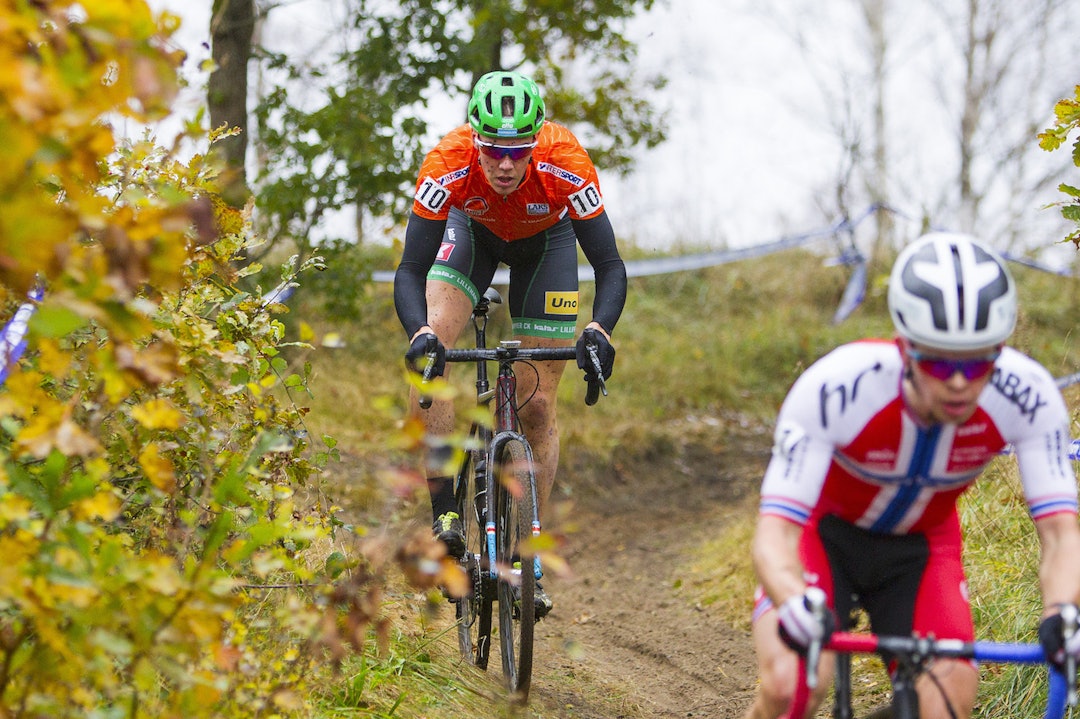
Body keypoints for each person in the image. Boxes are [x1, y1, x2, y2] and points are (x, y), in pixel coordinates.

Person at [742, 232, 1080, 719]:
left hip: (921, 546)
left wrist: (1061, 611)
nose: (961, 382)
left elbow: (1059, 534)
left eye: (982, 360)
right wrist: (794, 601)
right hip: (823, 536)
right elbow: (774, 534)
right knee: (791, 684)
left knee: (948, 702)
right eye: (940, 361)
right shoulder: (837, 387)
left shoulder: (1027, 396)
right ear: (905, 348)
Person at [394, 70, 627, 618]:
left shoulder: (566, 162)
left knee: (538, 405)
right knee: (433, 355)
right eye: (494, 150)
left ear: (535, 141)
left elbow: (611, 266)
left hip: (547, 245)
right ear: (475, 139)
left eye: (517, 150)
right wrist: (421, 334)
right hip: (470, 236)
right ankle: (446, 513)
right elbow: (409, 269)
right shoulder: (447, 162)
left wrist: (599, 330)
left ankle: (527, 557)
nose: (505, 163)